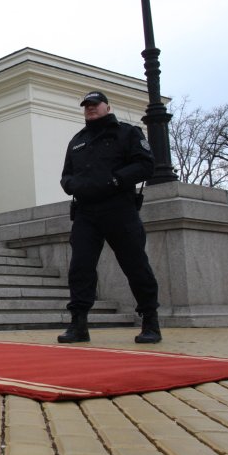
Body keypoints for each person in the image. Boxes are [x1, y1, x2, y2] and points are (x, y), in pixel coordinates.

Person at [57, 90, 161, 344]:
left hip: (119, 209)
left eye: (95, 104)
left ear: (107, 106)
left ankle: (150, 322)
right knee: (80, 268)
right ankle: (79, 324)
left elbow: (146, 165)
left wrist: (115, 180)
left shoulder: (127, 133)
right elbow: (66, 175)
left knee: (135, 265)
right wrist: (73, 186)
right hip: (86, 212)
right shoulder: (78, 140)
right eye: (86, 106)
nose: (90, 109)